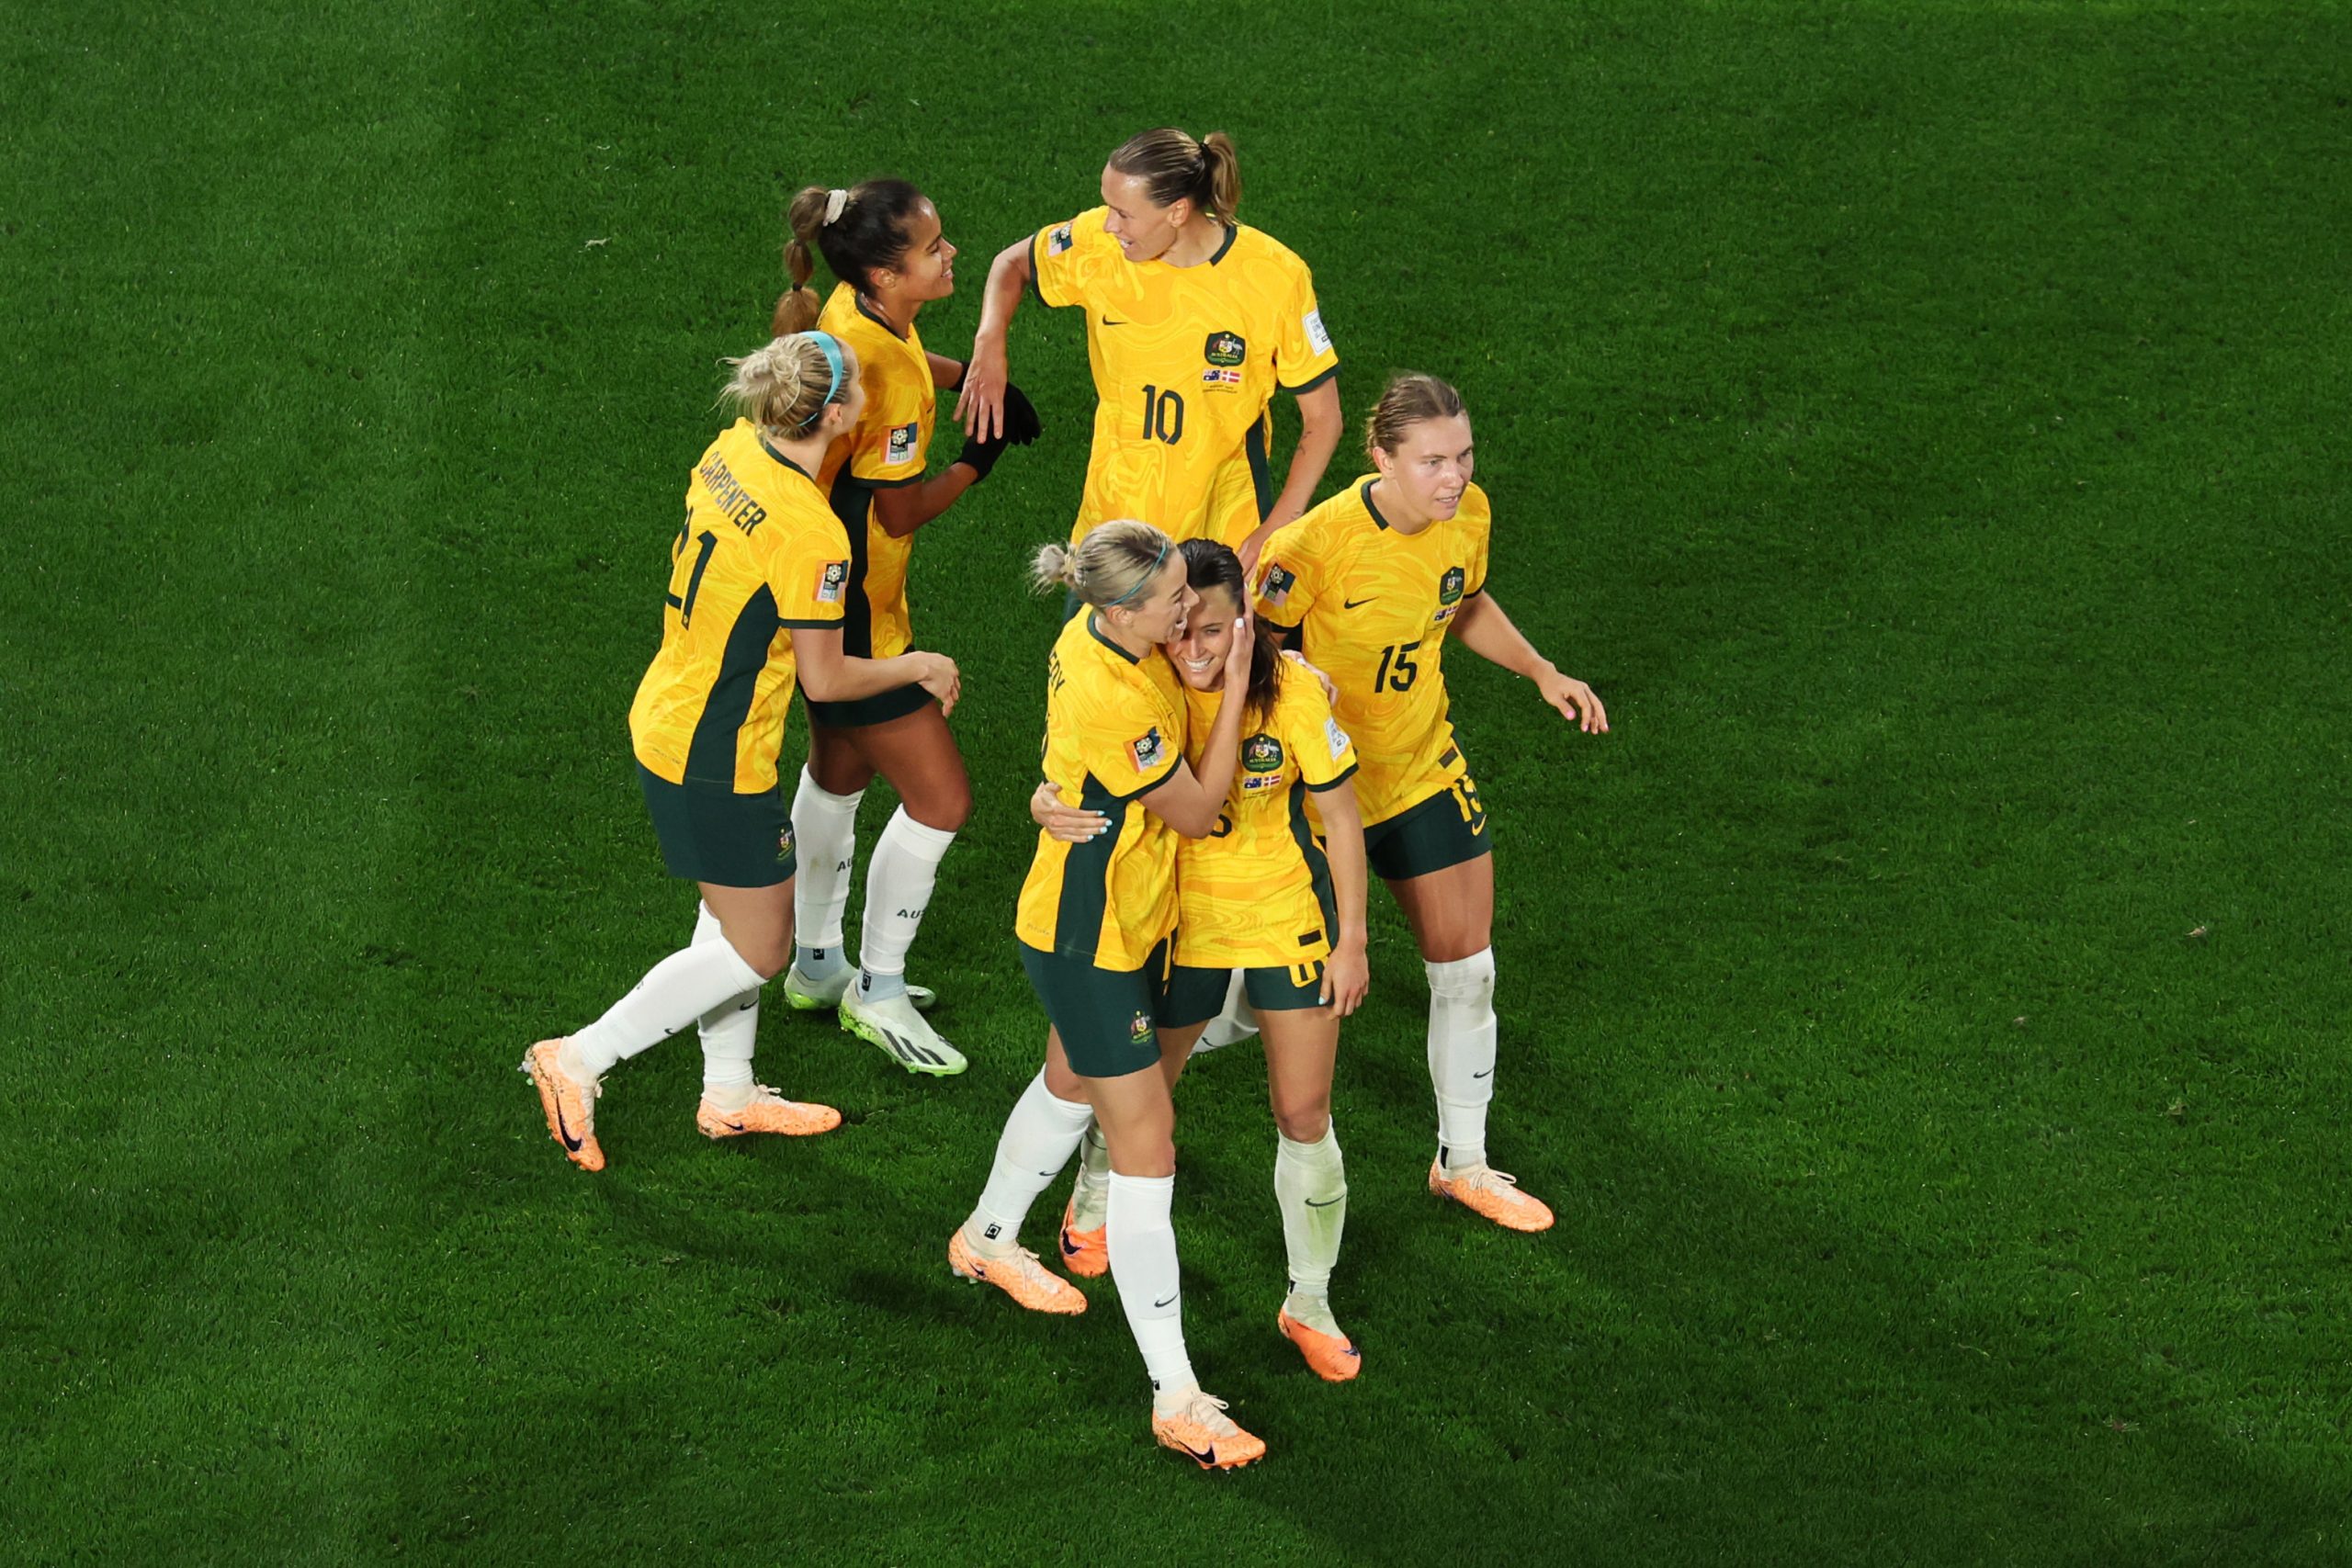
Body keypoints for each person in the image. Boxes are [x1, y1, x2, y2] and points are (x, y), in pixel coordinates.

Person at [521, 333, 959, 1171]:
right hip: (712, 755)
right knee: (761, 947)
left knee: (730, 916)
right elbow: (826, 681)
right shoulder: (812, 534)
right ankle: (577, 1056)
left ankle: (728, 1093)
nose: (869, 390)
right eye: (857, 385)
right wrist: (922, 664)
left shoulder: (730, 450)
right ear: (832, 414)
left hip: (680, 713)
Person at [1252, 373, 1609, 1233]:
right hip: (1314, 796)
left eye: (1464, 455)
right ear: (1382, 457)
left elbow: (1464, 602)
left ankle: (1465, 1162)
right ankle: (1114, 1152)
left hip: (1417, 768)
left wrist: (1540, 670)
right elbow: (1251, 659)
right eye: (1433, 461)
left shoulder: (1468, 516)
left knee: (1468, 970)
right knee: (1228, 994)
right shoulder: (1312, 547)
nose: (1453, 477)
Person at [945, 522, 1269, 1470]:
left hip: (1116, 912)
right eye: (1172, 600)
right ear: (1122, 611)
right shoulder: (1116, 687)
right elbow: (1202, 810)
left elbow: (1070, 769)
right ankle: (1176, 1393)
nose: (1187, 611)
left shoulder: (1094, 634)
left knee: (1067, 1084)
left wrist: (1047, 792)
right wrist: (1242, 672)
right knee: (1147, 1145)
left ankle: (987, 1238)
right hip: (1092, 940)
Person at [1034, 539, 1372, 1382]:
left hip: (1283, 913)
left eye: (1215, 630)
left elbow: (1340, 816)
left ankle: (1311, 1299)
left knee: (1303, 1112)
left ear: (1246, 628)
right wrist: (1045, 798)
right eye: (1183, 626)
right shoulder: (1144, 677)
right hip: (1178, 917)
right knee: (1143, 1089)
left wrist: (1354, 936)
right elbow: (1082, 746)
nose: (1194, 646)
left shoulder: (1292, 691)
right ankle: (1095, 1193)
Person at [764, 179, 1041, 1077]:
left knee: (838, 772)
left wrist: (972, 376)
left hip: (807, 587)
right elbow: (895, 514)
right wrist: (978, 461)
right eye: (933, 248)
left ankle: (813, 965)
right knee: (942, 800)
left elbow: (900, 366)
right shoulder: (877, 358)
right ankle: (875, 991)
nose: (952, 253)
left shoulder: (857, 312)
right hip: (850, 612)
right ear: (888, 272)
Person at [956, 127, 1343, 573]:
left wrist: (1274, 528)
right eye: (1107, 206)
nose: (1107, 224)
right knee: (1092, 646)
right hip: (1112, 526)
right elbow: (1012, 263)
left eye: (1123, 213)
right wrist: (989, 344)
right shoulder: (1098, 247)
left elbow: (1324, 417)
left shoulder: (1273, 276)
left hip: (1219, 540)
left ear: (1177, 211)